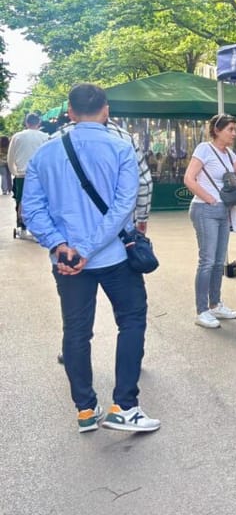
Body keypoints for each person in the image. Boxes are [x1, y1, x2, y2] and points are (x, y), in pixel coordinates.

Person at [22, 83, 160, 433]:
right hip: (113, 256)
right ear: (106, 110)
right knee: (131, 321)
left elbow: (32, 209)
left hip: (67, 261)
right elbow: (122, 207)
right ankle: (125, 406)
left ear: (69, 111)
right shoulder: (121, 148)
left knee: (76, 331)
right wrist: (90, 247)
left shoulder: (45, 154)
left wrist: (60, 245)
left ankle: (85, 409)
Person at [184, 113, 236, 329]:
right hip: (205, 209)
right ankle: (202, 310)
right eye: (230, 130)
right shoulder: (204, 149)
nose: (234, 134)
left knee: (218, 262)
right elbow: (189, 178)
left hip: (223, 211)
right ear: (217, 130)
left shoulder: (229, 153)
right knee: (207, 261)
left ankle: (215, 303)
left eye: (235, 130)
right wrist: (211, 199)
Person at [53, 117, 153, 234]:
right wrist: (142, 219)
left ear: (71, 110)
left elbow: (37, 198)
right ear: (106, 109)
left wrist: (53, 239)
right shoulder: (124, 139)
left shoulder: (55, 139)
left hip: (70, 234)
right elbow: (144, 183)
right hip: (119, 231)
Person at [9, 112, 48, 231]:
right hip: (40, 176)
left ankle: (22, 227)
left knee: (20, 200)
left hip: (22, 175)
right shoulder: (45, 137)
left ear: (26, 123)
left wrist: (14, 172)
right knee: (40, 202)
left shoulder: (17, 136)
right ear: (39, 123)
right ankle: (39, 228)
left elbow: (11, 157)